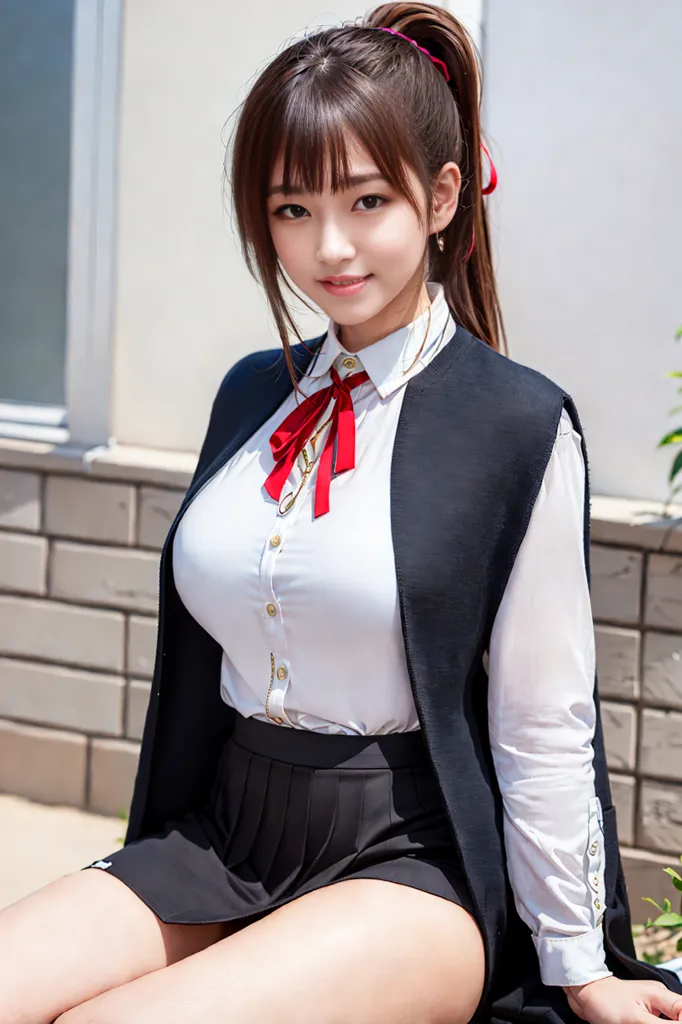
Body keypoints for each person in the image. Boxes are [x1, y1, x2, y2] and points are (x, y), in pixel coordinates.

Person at [1, 3, 681, 1022]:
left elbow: (542, 719)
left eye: (366, 201)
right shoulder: (249, 394)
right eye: (289, 210)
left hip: (410, 861)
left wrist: (580, 964)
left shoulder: (515, 423)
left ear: (441, 196)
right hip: (226, 833)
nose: (328, 246)